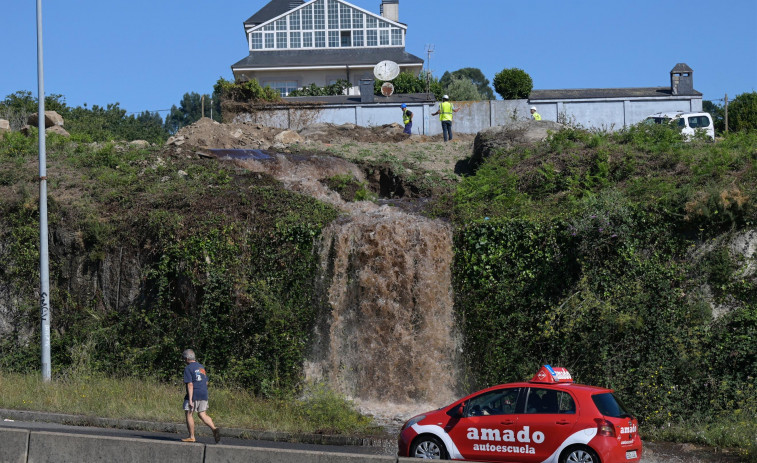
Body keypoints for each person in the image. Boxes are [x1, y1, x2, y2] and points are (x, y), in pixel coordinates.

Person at [181, 349, 221, 443]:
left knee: (189, 413)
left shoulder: (188, 368)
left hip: (194, 393)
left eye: (183, 359)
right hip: (204, 392)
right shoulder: (201, 367)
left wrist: (190, 399)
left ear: (187, 359)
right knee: (202, 414)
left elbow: (190, 384)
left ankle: (192, 436)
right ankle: (214, 429)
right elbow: (206, 381)